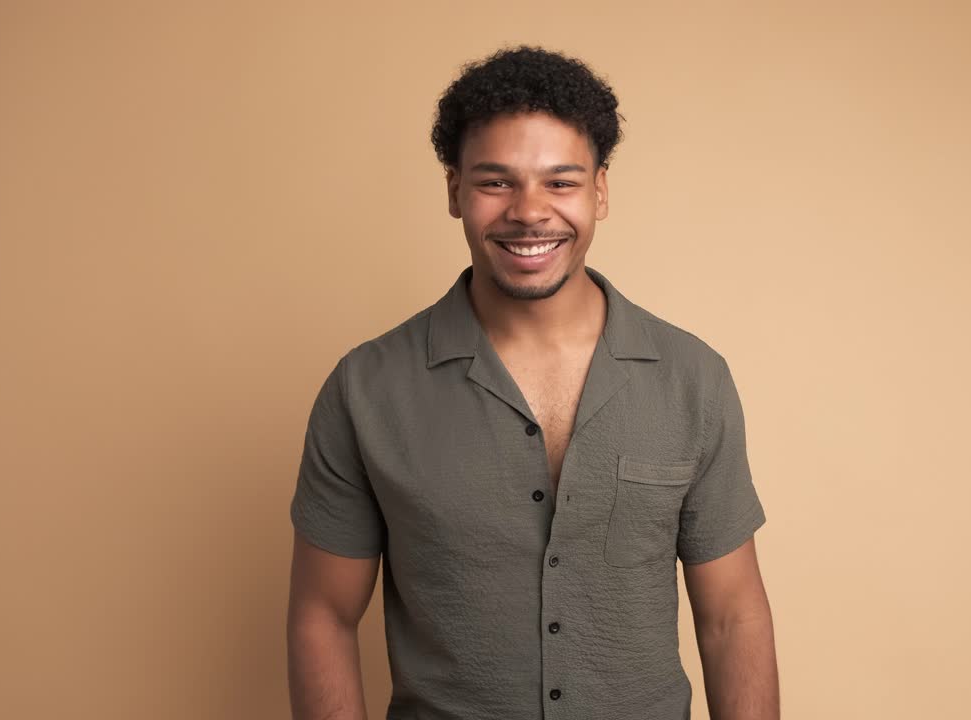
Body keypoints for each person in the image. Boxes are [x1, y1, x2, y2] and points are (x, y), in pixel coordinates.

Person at [286, 45, 778, 720]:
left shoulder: (692, 380)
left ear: (600, 191)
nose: (528, 211)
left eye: (560, 182)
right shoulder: (365, 390)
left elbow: (732, 618)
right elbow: (323, 616)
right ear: (454, 189)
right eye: (495, 182)